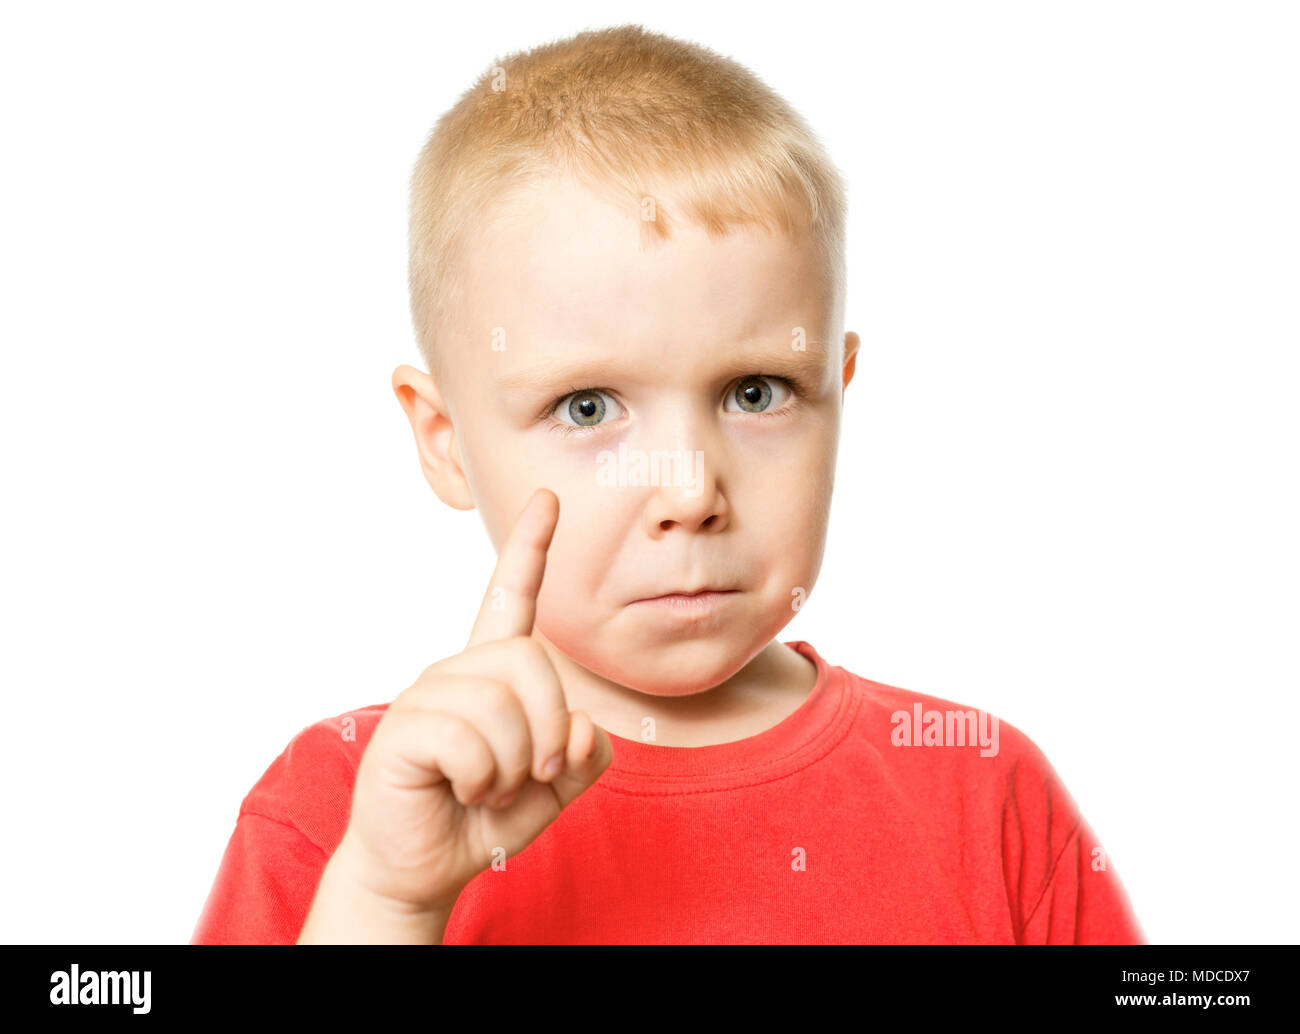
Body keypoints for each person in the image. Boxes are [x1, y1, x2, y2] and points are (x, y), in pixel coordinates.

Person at [192, 23, 1144, 944]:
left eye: (755, 392)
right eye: (588, 409)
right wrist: (389, 904)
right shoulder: (350, 811)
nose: (689, 491)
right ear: (444, 440)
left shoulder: (984, 792)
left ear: (836, 396)